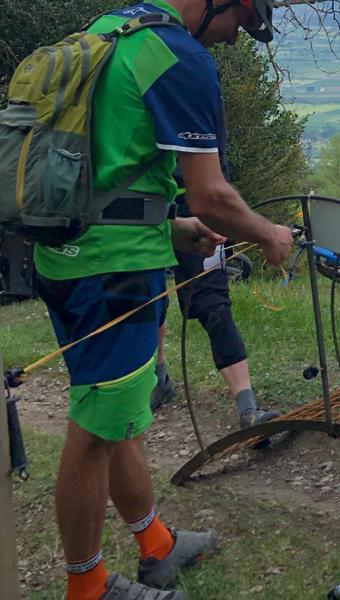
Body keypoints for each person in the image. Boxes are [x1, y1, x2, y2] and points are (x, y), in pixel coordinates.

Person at [30, 1, 293, 598]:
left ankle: (157, 547)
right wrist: (270, 233)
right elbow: (212, 195)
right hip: (114, 271)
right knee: (95, 428)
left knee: (112, 411)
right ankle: (88, 586)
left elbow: (102, 159)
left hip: (65, 251)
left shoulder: (109, 30)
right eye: (239, 23)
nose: (233, 40)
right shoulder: (179, 53)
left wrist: (166, 224)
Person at [150, 161, 282, 432]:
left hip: (200, 209)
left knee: (212, 301)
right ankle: (158, 379)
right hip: (146, 207)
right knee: (149, 299)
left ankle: (248, 407)